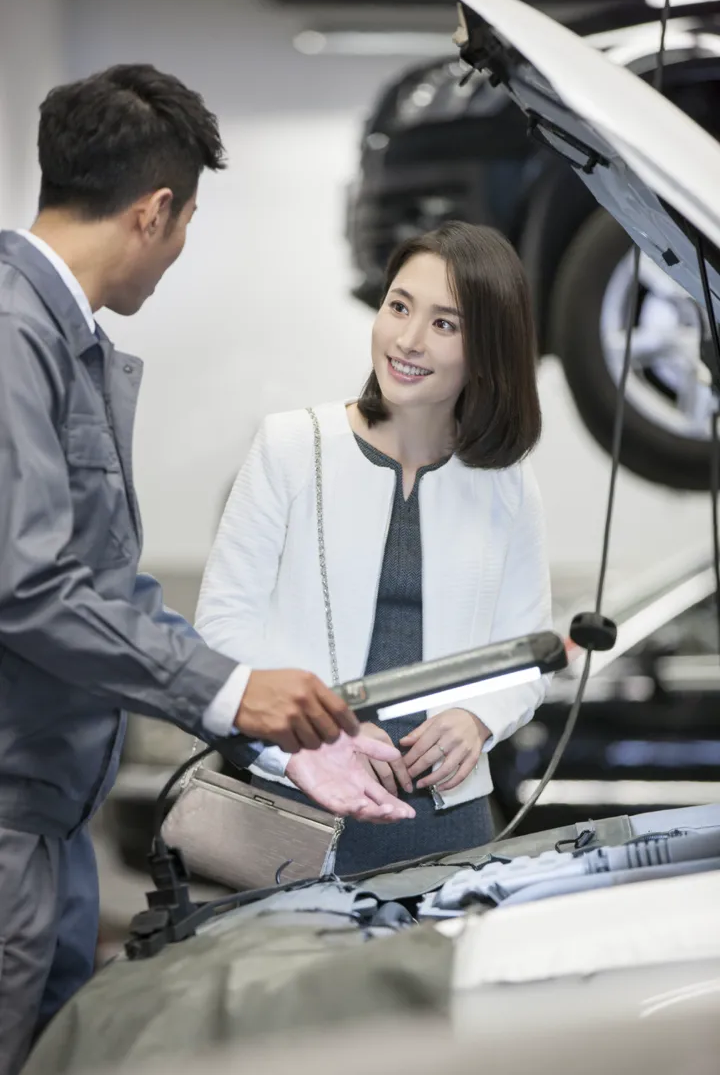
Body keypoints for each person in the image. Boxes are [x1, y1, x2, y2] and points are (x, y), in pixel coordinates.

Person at [0, 63, 412, 1075]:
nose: (179, 252)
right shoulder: (13, 337)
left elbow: (106, 591)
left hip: (54, 835)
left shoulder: (68, 344)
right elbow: (30, 588)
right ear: (154, 212)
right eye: (185, 226)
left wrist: (267, 732)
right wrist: (231, 690)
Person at [196, 221, 553, 876]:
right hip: (296, 805)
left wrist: (477, 717)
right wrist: (309, 742)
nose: (408, 340)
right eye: (398, 306)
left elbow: (529, 650)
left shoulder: (506, 482)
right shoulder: (289, 446)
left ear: (489, 347)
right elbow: (220, 631)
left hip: (450, 822)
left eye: (446, 324)